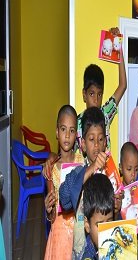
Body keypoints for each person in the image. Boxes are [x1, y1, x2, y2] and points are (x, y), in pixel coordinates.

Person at [59, 107, 122, 259]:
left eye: (100, 139)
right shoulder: (78, 172)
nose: (97, 145)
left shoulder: (112, 175)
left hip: (108, 248)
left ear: (105, 142)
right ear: (83, 145)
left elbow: (118, 220)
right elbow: (65, 199)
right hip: (82, 252)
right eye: (91, 140)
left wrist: (117, 209)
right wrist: (92, 168)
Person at [76, 27, 127, 152]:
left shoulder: (105, 114)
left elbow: (123, 85)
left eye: (99, 94)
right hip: (86, 171)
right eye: (91, 94)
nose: (96, 99)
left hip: (106, 171)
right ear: (84, 95)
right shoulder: (77, 122)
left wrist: (118, 47)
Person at [44, 105, 84, 260]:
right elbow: (53, 217)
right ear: (56, 132)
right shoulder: (51, 169)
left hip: (79, 228)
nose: (67, 135)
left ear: (76, 135)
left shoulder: (81, 161)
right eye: (63, 129)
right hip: (60, 235)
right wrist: (48, 210)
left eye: (72, 130)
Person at [82, 173, 114, 259]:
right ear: (87, 225)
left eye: (109, 222)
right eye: (100, 225)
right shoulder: (87, 256)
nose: (106, 231)